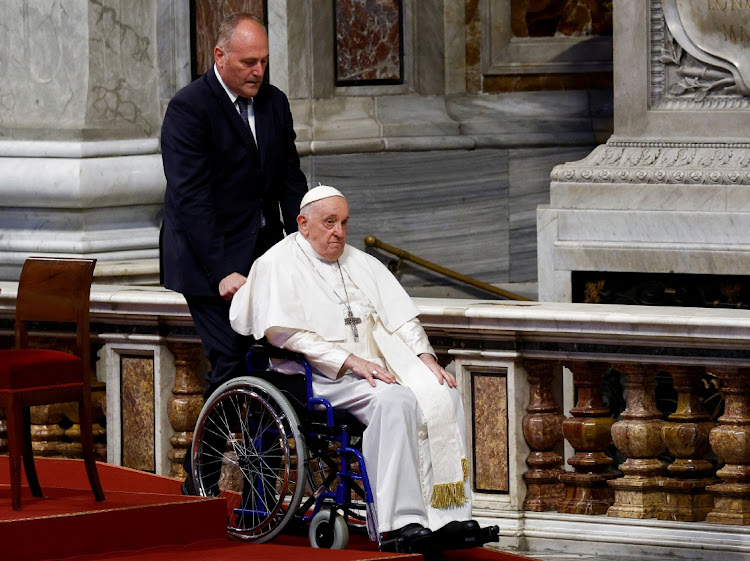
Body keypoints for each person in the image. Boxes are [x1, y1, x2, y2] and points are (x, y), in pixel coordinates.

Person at [229, 185, 487, 552]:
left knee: (442, 391)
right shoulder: (277, 263)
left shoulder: (361, 262)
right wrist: (351, 361)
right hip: (318, 375)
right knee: (394, 401)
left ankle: (448, 516)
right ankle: (401, 523)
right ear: (303, 224)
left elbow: (401, 319)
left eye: (344, 223)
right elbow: (287, 333)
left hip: (376, 367)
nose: (339, 232)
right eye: (329, 222)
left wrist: (426, 358)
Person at [159, 13, 307, 493]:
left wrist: (303, 244)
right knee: (230, 360)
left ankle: (262, 494)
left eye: (263, 61)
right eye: (248, 62)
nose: (258, 71)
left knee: (266, 364)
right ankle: (198, 481)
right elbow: (192, 199)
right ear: (218, 56)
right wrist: (223, 270)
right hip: (206, 264)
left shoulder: (274, 104)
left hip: (262, 258)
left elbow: (289, 180)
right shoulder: (189, 109)